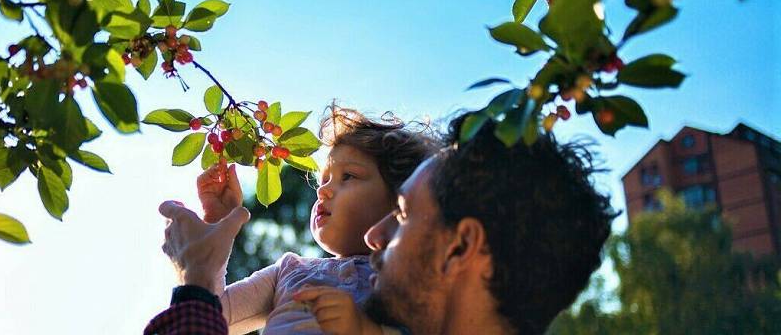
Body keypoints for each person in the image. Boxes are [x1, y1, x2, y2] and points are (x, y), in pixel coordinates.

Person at [148, 111, 617, 335]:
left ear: (460, 248)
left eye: (405, 216)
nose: (375, 237)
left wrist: (196, 280)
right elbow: (224, 315)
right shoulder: (295, 272)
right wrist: (206, 274)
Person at [194, 107, 438, 334]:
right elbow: (211, 315)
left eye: (348, 176)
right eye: (323, 181)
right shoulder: (287, 271)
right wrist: (217, 230)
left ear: (400, 198)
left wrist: (366, 330)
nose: (323, 191)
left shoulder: (408, 276)